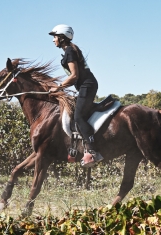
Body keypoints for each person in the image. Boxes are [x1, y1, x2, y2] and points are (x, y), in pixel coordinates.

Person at [48, 24, 103, 167]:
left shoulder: (70, 52)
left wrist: (59, 87)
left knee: (78, 117)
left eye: (55, 37)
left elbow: (74, 76)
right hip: (85, 86)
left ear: (61, 37)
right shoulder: (69, 51)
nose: (53, 40)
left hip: (87, 86)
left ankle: (93, 150)